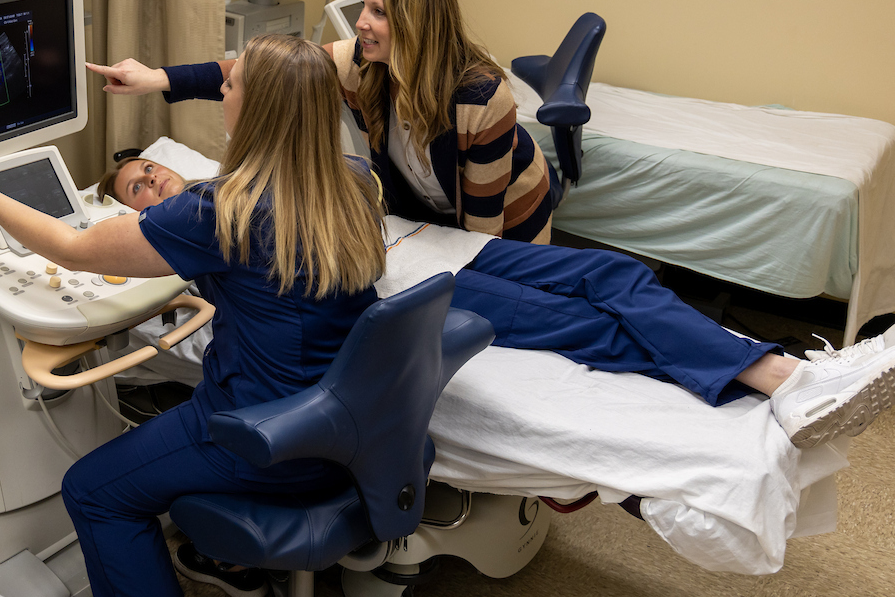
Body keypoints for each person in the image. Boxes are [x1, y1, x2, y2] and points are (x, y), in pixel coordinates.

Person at [0, 34, 386, 597]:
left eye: (228, 85)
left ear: (256, 110)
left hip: (268, 435)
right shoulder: (354, 179)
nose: (222, 91)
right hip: (348, 424)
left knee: (90, 490)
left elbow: (71, 247)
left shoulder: (220, 211)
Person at [100, 153, 895, 449]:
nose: (155, 180)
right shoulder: (186, 230)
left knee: (615, 275)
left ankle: (781, 374)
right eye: (138, 187)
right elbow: (227, 299)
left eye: (153, 170)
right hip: (408, 284)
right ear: (132, 211)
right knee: (584, 324)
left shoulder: (234, 180)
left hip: (435, 244)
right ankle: (780, 384)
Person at [89, 0, 555, 243]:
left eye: (378, 13)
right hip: (429, 213)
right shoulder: (362, 63)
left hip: (508, 214)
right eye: (362, 7)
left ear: (418, 24)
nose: (360, 24)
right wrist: (158, 79)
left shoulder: (479, 98)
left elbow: (482, 236)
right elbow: (256, 73)